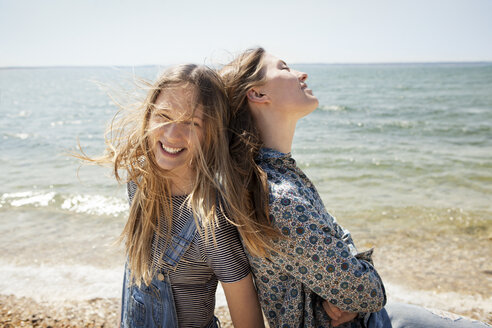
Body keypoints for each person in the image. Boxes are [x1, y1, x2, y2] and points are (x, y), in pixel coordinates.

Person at [220, 47, 491, 328]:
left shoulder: (274, 177)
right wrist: (354, 291)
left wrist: (349, 294)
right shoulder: (280, 196)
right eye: (285, 68)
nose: (302, 74)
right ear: (258, 94)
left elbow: (353, 291)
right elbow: (369, 292)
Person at [79, 64, 264, 328]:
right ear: (148, 116)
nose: (171, 134)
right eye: (164, 116)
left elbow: (249, 320)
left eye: (191, 123)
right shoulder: (139, 183)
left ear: (211, 134)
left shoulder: (213, 225)